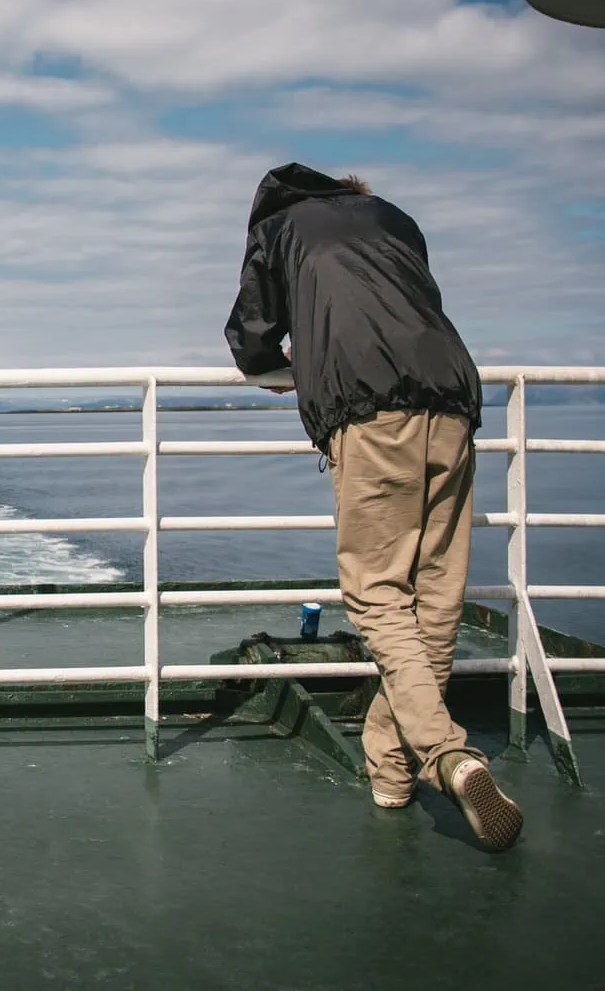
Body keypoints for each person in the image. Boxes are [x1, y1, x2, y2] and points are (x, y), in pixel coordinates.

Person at [224, 163, 522, 852]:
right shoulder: (394, 219)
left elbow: (252, 334)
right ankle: (392, 773)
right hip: (452, 397)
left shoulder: (280, 227)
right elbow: (408, 305)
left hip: (370, 407)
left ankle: (449, 755)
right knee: (436, 598)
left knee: (378, 596)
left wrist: (283, 365)